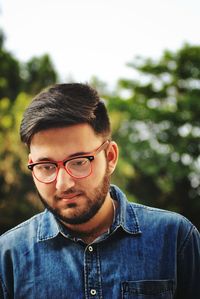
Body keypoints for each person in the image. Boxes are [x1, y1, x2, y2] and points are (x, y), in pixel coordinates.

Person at [0, 83, 199, 299]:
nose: (63, 184)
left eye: (79, 162)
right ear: (31, 164)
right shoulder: (8, 255)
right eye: (46, 167)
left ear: (111, 157)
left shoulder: (175, 238)